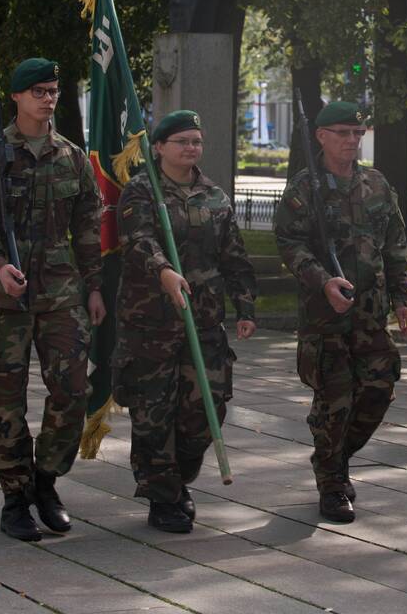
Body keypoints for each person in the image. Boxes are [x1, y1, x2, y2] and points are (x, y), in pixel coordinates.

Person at [0, 57, 106, 541]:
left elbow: (87, 226)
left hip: (62, 293)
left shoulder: (71, 157)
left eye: (53, 90)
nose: (48, 98)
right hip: (5, 297)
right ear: (17, 97)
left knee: (72, 391)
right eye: (38, 91)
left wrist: (96, 286)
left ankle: (46, 480)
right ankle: (14, 497)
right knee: (5, 401)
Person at [111, 110, 257, 534]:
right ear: (158, 148)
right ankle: (162, 495)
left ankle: (179, 478)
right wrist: (163, 271)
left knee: (204, 413)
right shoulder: (141, 191)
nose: (191, 148)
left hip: (205, 322)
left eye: (196, 140)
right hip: (151, 325)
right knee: (154, 414)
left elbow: (234, 256)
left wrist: (245, 307)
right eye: (181, 141)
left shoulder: (215, 197)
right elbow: (137, 240)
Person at [273, 101, 407, 524]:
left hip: (371, 313)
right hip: (325, 316)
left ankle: (332, 460)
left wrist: (403, 298)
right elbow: (288, 244)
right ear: (320, 136)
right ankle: (332, 484)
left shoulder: (376, 184)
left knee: (378, 387)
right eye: (342, 133)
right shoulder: (303, 188)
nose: (351, 141)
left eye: (357, 133)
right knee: (334, 400)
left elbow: (396, 245)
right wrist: (323, 280)